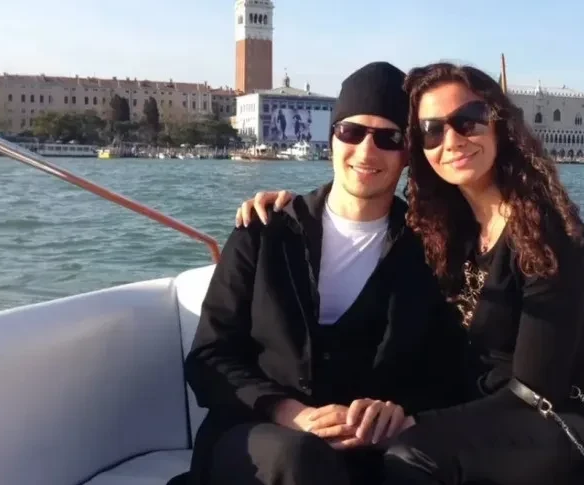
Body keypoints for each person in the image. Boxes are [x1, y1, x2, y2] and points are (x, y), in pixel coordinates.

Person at [235, 61, 584, 485]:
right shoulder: (447, 231)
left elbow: (537, 387)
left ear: (500, 125)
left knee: (412, 455)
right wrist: (294, 210)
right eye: (432, 131)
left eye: (468, 121)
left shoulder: (546, 232)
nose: (452, 141)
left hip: (559, 416)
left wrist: (415, 422)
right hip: (481, 416)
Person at [172, 61, 467, 485]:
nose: (366, 151)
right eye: (352, 132)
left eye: (389, 138)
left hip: (362, 451)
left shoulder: (427, 252)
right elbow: (209, 358)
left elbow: (444, 367)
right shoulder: (265, 230)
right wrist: (290, 413)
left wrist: (398, 412)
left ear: (408, 153)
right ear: (332, 139)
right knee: (299, 458)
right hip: (258, 435)